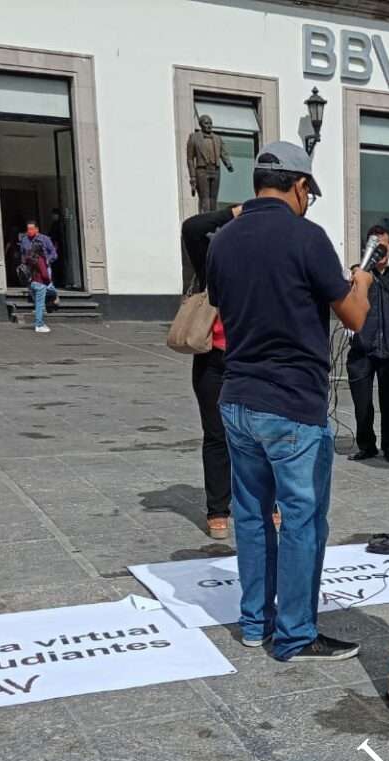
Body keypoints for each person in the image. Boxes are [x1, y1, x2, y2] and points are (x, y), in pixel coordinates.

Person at [205, 141, 373, 662]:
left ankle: (255, 622)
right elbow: (354, 317)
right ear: (300, 186)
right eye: (308, 193)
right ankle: (296, 634)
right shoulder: (307, 237)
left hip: (237, 397)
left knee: (252, 515)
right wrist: (363, 282)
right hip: (292, 404)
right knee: (302, 519)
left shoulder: (222, 241)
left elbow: (223, 305)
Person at [181, 202, 241, 539]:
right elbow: (192, 228)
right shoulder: (213, 261)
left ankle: (269, 502)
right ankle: (218, 509)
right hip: (213, 359)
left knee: (262, 435)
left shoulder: (264, 263)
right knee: (216, 435)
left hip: (252, 361)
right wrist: (233, 213)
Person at [348, 224, 389, 464]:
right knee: (362, 404)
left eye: (383, 247)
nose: (380, 253)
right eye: (375, 248)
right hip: (363, 347)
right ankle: (366, 445)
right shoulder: (361, 273)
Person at [17, 221, 58, 334]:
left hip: (41, 269)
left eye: (31, 229)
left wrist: (47, 260)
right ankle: (39, 321)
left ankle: (49, 301)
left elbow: (53, 253)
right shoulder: (25, 241)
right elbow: (22, 254)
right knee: (40, 296)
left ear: (37, 229)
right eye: (28, 229)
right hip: (34, 274)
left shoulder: (45, 239)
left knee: (47, 292)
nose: (29, 231)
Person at [187, 114, 234, 209]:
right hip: (202, 170)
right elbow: (190, 159)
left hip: (215, 170)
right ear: (201, 125)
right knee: (204, 198)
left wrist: (228, 164)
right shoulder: (194, 137)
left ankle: (213, 216)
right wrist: (192, 176)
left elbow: (223, 153)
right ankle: (205, 216)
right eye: (206, 123)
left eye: (210, 123)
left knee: (213, 198)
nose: (209, 126)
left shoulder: (217, 138)